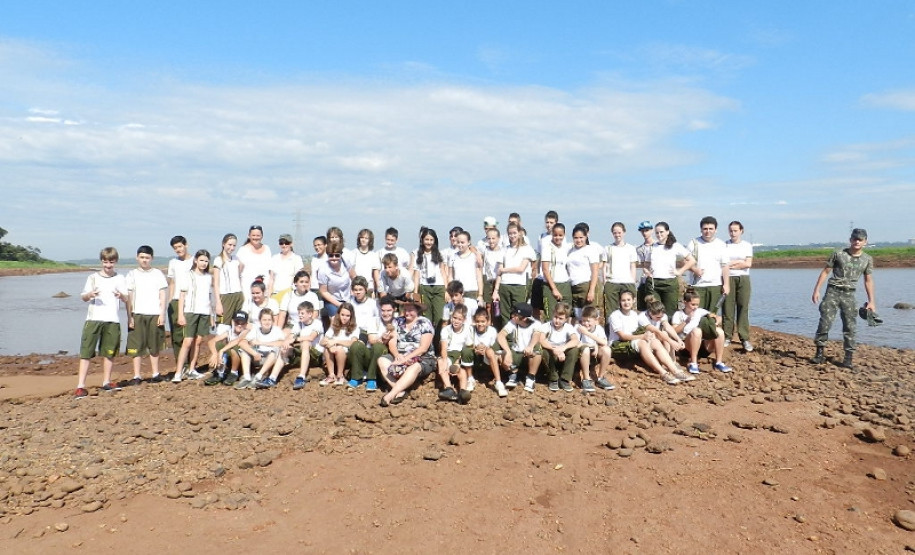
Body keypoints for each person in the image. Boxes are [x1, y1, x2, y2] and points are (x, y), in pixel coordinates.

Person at [811, 228, 875, 370]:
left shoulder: (867, 259)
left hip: (849, 294)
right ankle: (819, 353)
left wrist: (871, 301)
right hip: (833, 291)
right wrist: (816, 290)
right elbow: (825, 272)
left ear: (865, 242)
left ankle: (848, 359)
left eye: (860, 239)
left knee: (850, 326)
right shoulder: (838, 254)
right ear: (850, 240)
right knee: (825, 322)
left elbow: (868, 280)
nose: (857, 241)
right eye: (855, 239)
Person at [74, 247, 128, 398]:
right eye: (105, 262)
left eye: (111, 262)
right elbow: (83, 297)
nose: (108, 265)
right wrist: (91, 294)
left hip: (112, 320)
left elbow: (126, 298)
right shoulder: (93, 278)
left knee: (109, 353)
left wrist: (121, 295)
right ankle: (80, 386)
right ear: (101, 261)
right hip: (93, 319)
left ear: (115, 262)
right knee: (86, 353)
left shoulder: (120, 278)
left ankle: (106, 382)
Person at [608, 290, 691, 386]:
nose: (626, 303)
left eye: (628, 300)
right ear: (619, 301)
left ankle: (676, 371)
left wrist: (648, 336)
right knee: (642, 342)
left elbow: (643, 331)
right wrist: (643, 336)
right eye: (623, 300)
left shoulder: (634, 315)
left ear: (633, 300)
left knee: (654, 341)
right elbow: (622, 336)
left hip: (632, 342)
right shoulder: (615, 315)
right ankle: (663, 373)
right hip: (618, 344)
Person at [377, 300, 437, 407]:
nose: (407, 313)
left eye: (411, 310)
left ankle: (390, 395)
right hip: (400, 353)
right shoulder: (397, 321)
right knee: (382, 360)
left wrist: (406, 358)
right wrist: (397, 356)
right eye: (405, 310)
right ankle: (400, 390)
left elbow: (423, 348)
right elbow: (392, 342)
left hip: (422, 357)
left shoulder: (424, 323)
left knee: (414, 367)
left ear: (417, 310)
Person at [125, 245, 167, 384]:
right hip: (137, 313)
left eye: (147, 258)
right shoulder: (132, 274)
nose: (144, 260)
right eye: (142, 257)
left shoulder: (158, 274)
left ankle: (155, 373)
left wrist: (162, 314)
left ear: (152, 258)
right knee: (136, 346)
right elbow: (129, 297)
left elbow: (162, 295)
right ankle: (137, 375)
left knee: (154, 345)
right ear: (137, 257)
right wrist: (129, 316)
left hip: (154, 313)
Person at [172, 249, 215, 383]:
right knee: (187, 342)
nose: (203, 263)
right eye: (201, 260)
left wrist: (212, 316)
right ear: (196, 260)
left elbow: (210, 297)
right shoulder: (188, 275)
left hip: (204, 312)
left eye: (206, 261)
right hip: (190, 312)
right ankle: (178, 372)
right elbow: (182, 296)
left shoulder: (208, 277)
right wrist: (181, 315)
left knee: (198, 342)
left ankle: (192, 369)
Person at [672, 289, 733, 374]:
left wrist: (714, 322)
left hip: (702, 346)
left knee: (719, 331)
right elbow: (674, 331)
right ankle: (693, 363)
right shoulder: (678, 314)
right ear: (685, 302)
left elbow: (717, 317)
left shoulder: (700, 311)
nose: (695, 307)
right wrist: (686, 321)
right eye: (693, 304)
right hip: (685, 347)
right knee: (697, 331)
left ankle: (719, 362)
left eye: (697, 304)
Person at [347, 296, 397, 392]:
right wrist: (382, 338)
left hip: (385, 355)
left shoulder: (397, 322)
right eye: (383, 310)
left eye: (389, 310)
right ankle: (356, 377)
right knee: (356, 345)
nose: (385, 314)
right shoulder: (373, 320)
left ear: (394, 310)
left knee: (378, 347)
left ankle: (372, 379)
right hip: (371, 352)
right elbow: (371, 339)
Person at [647, 222, 695, 318]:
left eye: (661, 232)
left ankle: (668, 332)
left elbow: (692, 260)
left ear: (667, 232)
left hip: (670, 283)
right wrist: (647, 272)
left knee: (670, 313)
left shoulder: (675, 245)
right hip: (654, 283)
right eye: (657, 233)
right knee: (655, 311)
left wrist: (680, 271)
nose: (659, 235)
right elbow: (647, 264)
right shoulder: (652, 247)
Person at [492, 222, 536, 328]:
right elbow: (499, 272)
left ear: (520, 233)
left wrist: (504, 269)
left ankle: (519, 338)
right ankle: (508, 340)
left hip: (519, 286)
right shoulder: (504, 250)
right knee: (505, 315)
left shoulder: (527, 249)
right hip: (504, 285)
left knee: (519, 314)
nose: (512, 236)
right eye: (510, 233)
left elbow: (521, 269)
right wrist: (496, 290)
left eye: (514, 233)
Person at [685, 216, 730, 312]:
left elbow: (725, 266)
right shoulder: (693, 243)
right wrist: (694, 270)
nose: (708, 231)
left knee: (712, 315)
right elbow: (684, 261)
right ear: (701, 229)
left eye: (711, 229)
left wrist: (726, 284)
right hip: (697, 286)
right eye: (705, 229)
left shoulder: (721, 244)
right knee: (696, 314)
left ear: (715, 230)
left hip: (715, 285)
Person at [497, 302, 543, 392]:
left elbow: (536, 335)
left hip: (529, 353)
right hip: (516, 352)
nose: (512, 316)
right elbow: (500, 336)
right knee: (500, 354)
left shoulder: (536, 324)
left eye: (516, 315)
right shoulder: (512, 322)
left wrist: (530, 346)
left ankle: (530, 377)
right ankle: (513, 375)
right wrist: (508, 352)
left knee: (537, 349)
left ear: (524, 318)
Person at [411, 227, 450, 330]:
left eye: (431, 240)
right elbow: (417, 274)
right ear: (422, 240)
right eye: (427, 239)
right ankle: (428, 342)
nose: (429, 242)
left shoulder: (439, 253)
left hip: (439, 287)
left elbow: (443, 272)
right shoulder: (417, 254)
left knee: (439, 317)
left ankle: (438, 342)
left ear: (435, 240)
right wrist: (416, 292)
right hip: (424, 287)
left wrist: (446, 290)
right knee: (426, 317)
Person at [723, 221, 753, 351]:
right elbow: (723, 264)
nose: (733, 233)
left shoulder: (746, 245)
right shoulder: (724, 245)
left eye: (735, 230)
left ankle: (744, 338)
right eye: (731, 230)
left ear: (741, 231)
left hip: (743, 278)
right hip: (728, 277)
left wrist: (732, 264)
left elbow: (748, 264)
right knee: (727, 308)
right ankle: (727, 336)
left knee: (743, 307)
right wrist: (737, 263)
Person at [436, 304, 475, 403]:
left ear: (464, 320)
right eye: (454, 318)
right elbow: (444, 347)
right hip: (449, 353)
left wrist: (457, 361)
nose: (456, 321)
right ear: (451, 317)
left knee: (461, 371)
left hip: (460, 354)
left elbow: (468, 347)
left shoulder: (467, 329)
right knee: (441, 363)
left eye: (459, 319)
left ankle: (463, 391)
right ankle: (449, 388)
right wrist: (445, 360)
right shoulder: (446, 330)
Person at [239, 309, 286, 389]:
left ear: (273, 321)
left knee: (275, 350)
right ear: (260, 321)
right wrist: (254, 353)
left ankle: (259, 376)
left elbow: (282, 343)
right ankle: (246, 377)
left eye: (269, 320)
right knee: (244, 350)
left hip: (270, 358)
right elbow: (242, 343)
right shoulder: (256, 330)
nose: (267, 322)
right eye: (264, 320)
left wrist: (261, 343)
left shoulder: (276, 330)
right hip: (258, 356)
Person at [539, 302, 580, 392]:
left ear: (566, 319)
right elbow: (542, 340)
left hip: (562, 353)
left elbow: (575, 340)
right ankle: (553, 378)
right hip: (551, 353)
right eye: (555, 317)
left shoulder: (568, 327)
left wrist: (563, 348)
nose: (557, 321)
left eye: (560, 319)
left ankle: (565, 379)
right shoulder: (546, 326)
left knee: (574, 350)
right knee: (544, 352)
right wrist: (554, 349)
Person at [204, 310, 251, 386]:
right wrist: (215, 353)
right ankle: (220, 373)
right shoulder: (229, 332)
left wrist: (222, 351)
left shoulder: (246, 332)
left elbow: (237, 341)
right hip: (230, 358)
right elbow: (211, 341)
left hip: (244, 359)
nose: (239, 325)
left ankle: (234, 373)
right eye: (237, 322)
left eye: (242, 323)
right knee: (218, 345)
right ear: (232, 322)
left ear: (246, 324)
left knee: (234, 348)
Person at [285, 301, 324, 390]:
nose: (300, 315)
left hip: (316, 355)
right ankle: (272, 377)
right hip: (304, 353)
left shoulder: (317, 323)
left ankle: (301, 377)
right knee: (286, 347)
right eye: (299, 313)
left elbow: (311, 338)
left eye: (302, 313)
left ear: (310, 314)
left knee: (306, 343)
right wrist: (287, 342)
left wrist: (295, 339)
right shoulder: (298, 324)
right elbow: (290, 337)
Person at [566, 223, 601, 319]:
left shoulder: (591, 250)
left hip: (586, 285)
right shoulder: (570, 251)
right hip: (574, 287)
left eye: (581, 237)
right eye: (576, 238)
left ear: (586, 237)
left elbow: (595, 271)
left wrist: (592, 290)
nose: (579, 240)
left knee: (591, 316)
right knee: (578, 316)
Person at [319, 302, 359, 386]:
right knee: (327, 349)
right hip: (333, 353)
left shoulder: (355, 327)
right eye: (342, 315)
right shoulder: (334, 326)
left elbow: (353, 342)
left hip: (346, 355)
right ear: (339, 314)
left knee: (340, 348)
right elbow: (323, 341)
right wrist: (330, 346)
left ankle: (340, 375)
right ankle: (331, 375)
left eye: (347, 316)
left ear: (351, 317)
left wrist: (336, 342)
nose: (344, 318)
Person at [603, 222, 638, 319]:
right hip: (612, 282)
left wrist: (633, 281)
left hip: (627, 282)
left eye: (619, 232)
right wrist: (605, 281)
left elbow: (633, 266)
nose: (617, 235)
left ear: (624, 232)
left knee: (629, 310)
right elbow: (605, 265)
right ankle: (610, 332)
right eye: (615, 233)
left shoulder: (631, 248)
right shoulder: (608, 248)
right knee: (611, 312)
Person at [166, 235, 193, 359]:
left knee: (190, 334)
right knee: (177, 335)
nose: (178, 249)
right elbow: (171, 282)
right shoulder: (173, 262)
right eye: (175, 248)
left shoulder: (195, 260)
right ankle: (180, 364)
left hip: (191, 301)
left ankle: (191, 365)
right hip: (176, 300)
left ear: (186, 244)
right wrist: (170, 300)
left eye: (180, 246)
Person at [576, 305, 615, 391]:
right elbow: (577, 344)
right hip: (582, 353)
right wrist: (593, 345)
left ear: (596, 321)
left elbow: (605, 342)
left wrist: (587, 333)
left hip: (594, 353)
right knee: (585, 349)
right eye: (584, 321)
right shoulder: (578, 328)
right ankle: (586, 379)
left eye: (588, 321)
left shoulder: (599, 329)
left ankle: (600, 378)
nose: (586, 323)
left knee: (607, 350)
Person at [470, 307, 506, 397]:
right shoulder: (471, 330)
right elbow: (467, 342)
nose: (480, 324)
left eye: (483, 321)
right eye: (478, 321)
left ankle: (498, 382)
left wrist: (485, 349)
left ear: (487, 321)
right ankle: (469, 379)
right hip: (475, 357)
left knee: (490, 351)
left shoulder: (492, 331)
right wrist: (475, 348)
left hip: (487, 359)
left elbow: (496, 346)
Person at [540, 222, 572, 320]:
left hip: (565, 284)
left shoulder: (566, 247)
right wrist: (554, 289)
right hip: (550, 285)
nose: (558, 237)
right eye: (555, 235)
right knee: (551, 316)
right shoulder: (547, 248)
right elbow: (545, 270)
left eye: (560, 235)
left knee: (566, 315)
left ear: (564, 235)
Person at [531, 210, 559, 319]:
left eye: (551, 222)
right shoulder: (542, 236)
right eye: (547, 222)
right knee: (536, 305)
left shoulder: (559, 237)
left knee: (552, 307)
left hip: (552, 276)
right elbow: (538, 255)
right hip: (541, 276)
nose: (549, 225)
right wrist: (535, 270)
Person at [213, 233, 244, 325]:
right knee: (224, 324)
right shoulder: (218, 260)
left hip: (238, 294)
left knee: (238, 323)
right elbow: (216, 283)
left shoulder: (236, 259)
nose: (232, 248)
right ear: (223, 244)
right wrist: (218, 302)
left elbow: (241, 268)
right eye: (229, 245)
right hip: (225, 295)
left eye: (234, 245)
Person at [236, 225, 272, 302]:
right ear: (249, 236)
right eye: (253, 235)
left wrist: (269, 289)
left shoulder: (267, 249)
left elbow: (270, 271)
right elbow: (238, 272)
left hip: (264, 289)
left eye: (258, 235)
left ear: (262, 236)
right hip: (248, 290)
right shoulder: (243, 250)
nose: (256, 237)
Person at [318, 242, 353, 321]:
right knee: (336, 319)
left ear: (341, 255)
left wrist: (353, 293)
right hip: (332, 300)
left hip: (348, 298)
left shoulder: (345, 262)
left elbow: (354, 277)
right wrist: (339, 304)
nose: (334, 258)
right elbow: (323, 291)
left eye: (337, 255)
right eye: (331, 255)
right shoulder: (323, 270)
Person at [448, 230, 484, 306]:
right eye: (458, 242)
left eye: (462, 242)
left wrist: (480, 295)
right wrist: (449, 291)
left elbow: (479, 277)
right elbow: (450, 276)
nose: (460, 244)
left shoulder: (474, 257)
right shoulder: (452, 256)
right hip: (457, 292)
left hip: (472, 291)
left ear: (468, 242)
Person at [269, 234, 304, 305]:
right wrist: (269, 296)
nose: (284, 245)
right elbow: (271, 279)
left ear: (291, 244)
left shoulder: (296, 259)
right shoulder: (274, 258)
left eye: (287, 243)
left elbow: (299, 278)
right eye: (281, 243)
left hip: (290, 294)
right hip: (275, 294)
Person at [350, 229, 382, 295]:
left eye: (366, 238)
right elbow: (350, 271)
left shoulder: (374, 255)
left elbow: (375, 273)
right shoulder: (352, 253)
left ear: (370, 240)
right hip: (355, 288)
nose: (364, 240)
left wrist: (379, 288)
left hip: (369, 288)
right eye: (362, 237)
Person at [635, 221, 656, 310]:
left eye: (647, 230)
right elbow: (641, 264)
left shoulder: (658, 246)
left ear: (652, 230)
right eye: (642, 231)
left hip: (657, 279)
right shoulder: (640, 249)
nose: (644, 233)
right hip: (645, 280)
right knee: (643, 306)